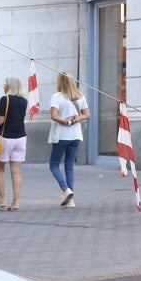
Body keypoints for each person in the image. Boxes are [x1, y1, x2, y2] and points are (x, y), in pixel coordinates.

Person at [0, 76, 29, 211]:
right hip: (21, 138)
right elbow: (13, 117)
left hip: (6, 138)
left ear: (10, 86)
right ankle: (15, 203)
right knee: (16, 172)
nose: (4, 87)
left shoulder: (5, 99)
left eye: (5, 85)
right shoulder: (24, 101)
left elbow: (0, 121)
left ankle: (2, 200)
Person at [48, 72, 90, 209]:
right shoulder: (80, 96)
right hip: (76, 136)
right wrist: (75, 119)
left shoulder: (57, 97)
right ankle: (70, 200)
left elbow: (54, 116)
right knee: (69, 166)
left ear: (60, 82)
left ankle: (66, 190)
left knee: (53, 165)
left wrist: (65, 121)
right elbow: (87, 115)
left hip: (61, 135)